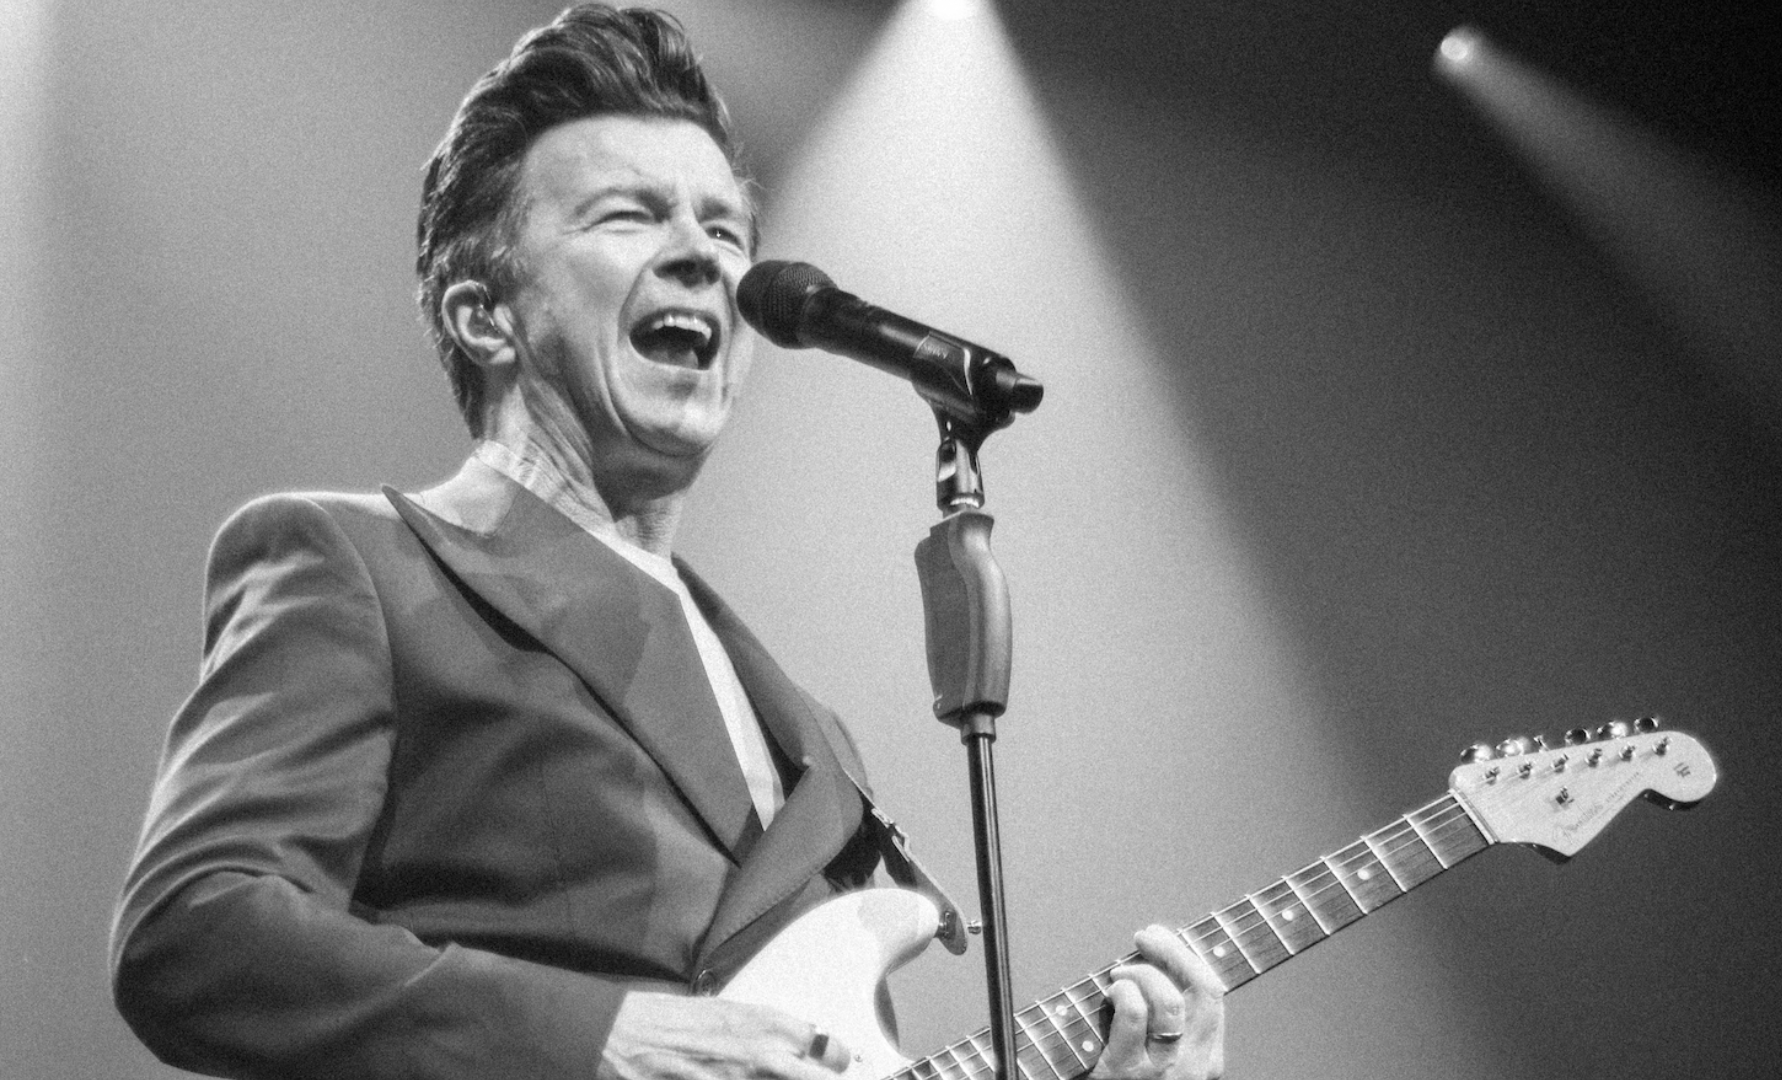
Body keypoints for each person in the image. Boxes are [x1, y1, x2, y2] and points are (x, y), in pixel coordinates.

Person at [109, 7, 1226, 1079]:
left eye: (726, 229)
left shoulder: (811, 736)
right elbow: (194, 928)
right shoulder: (358, 562)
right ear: (480, 313)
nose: (707, 259)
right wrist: (600, 1040)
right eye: (630, 216)